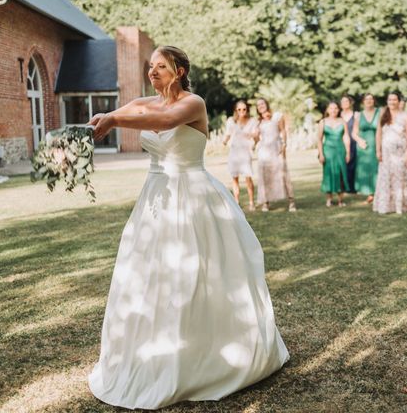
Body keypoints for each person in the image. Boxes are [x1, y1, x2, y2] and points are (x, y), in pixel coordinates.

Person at [86, 46, 289, 410]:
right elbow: (130, 109)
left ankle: (208, 356)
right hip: (155, 199)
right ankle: (152, 351)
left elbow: (164, 123)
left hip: (192, 196)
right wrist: (108, 114)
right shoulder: (145, 102)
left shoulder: (193, 103)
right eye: (150, 67)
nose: (153, 72)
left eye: (160, 66)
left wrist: (115, 122)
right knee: (149, 274)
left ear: (179, 71)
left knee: (198, 273)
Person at [373, 92, 407, 214]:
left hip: (401, 152)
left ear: (399, 101)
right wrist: (378, 150)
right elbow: (378, 133)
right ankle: (386, 205)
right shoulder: (383, 114)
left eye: (394, 99)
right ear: (387, 101)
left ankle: (402, 204)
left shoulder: (405, 116)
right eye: (390, 99)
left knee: (400, 176)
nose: (392, 102)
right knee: (386, 177)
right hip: (386, 152)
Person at [254, 98, 297, 212]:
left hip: (276, 148)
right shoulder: (259, 122)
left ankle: (291, 201)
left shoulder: (277, 116)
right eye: (258, 105)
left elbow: (283, 131)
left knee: (283, 174)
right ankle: (265, 202)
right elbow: (257, 138)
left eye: (262, 103)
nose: (261, 106)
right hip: (264, 151)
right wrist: (255, 136)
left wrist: (284, 146)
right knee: (265, 176)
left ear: (266, 104)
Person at [222, 100, 257, 211]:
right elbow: (228, 134)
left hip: (245, 152)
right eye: (239, 109)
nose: (242, 111)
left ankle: (251, 202)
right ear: (236, 110)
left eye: (244, 109)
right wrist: (224, 142)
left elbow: (255, 135)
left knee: (248, 178)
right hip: (234, 152)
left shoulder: (252, 121)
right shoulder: (231, 121)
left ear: (247, 109)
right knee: (235, 178)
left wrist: (253, 139)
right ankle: (236, 202)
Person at [318, 101, 351, 206]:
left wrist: (348, 152)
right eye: (331, 108)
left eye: (336, 108)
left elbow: (346, 137)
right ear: (327, 110)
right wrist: (321, 154)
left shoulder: (342, 121)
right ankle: (329, 199)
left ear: (338, 109)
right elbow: (319, 139)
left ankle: (341, 200)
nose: (334, 110)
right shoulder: (322, 122)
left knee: (341, 173)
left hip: (340, 150)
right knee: (328, 173)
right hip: (327, 151)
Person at [352, 93, 380, 203]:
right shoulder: (359, 115)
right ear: (363, 101)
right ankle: (370, 194)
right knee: (366, 169)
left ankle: (379, 193)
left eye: (371, 99)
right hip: (363, 147)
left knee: (377, 168)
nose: (369, 101)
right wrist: (359, 141)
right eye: (366, 99)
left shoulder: (380, 112)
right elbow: (354, 133)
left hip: (376, 144)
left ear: (374, 101)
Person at [340, 95, 358, 193]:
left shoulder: (355, 115)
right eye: (342, 102)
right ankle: (341, 186)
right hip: (340, 142)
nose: (344, 103)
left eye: (346, 101)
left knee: (352, 164)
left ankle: (351, 187)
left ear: (350, 103)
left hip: (353, 142)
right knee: (341, 164)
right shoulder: (338, 115)